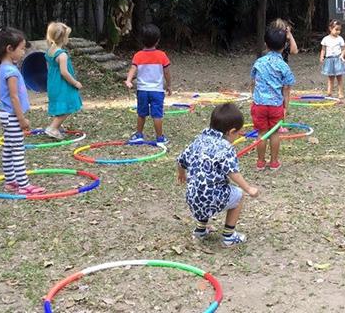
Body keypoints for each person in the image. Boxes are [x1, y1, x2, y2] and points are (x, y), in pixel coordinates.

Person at [177, 103, 260, 247]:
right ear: (231, 131)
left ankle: (200, 230)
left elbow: (180, 160)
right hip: (211, 198)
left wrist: (181, 174)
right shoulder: (225, 147)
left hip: (192, 197)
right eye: (238, 133)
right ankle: (229, 236)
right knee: (239, 195)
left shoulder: (199, 140)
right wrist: (249, 189)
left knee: (204, 190)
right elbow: (232, 172)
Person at [0, 27, 45, 195]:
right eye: (22, 48)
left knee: (8, 148)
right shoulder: (10, 71)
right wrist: (22, 119)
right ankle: (24, 185)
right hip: (13, 116)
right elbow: (14, 98)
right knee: (18, 150)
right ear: (9, 49)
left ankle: (11, 181)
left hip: (6, 115)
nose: (23, 52)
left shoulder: (4, 67)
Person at [250, 27, 295, 170]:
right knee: (274, 133)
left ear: (266, 44)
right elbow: (287, 88)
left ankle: (260, 162)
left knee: (261, 133)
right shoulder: (284, 66)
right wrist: (285, 107)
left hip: (260, 104)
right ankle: (274, 162)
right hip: (276, 105)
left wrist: (255, 97)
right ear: (284, 46)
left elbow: (253, 82)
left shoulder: (259, 63)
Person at [125, 24, 172, 147]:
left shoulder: (138, 55)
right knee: (157, 115)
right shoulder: (162, 55)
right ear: (157, 40)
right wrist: (169, 85)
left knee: (141, 113)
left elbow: (132, 69)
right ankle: (160, 138)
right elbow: (167, 72)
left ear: (142, 40)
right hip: (157, 91)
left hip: (142, 91)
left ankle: (139, 135)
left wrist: (129, 80)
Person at [43, 22, 83, 139]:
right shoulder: (62, 55)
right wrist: (75, 83)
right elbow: (64, 72)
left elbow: (49, 68)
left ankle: (57, 126)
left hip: (53, 84)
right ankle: (53, 127)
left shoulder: (49, 51)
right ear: (63, 38)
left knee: (61, 105)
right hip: (62, 85)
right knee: (69, 104)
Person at [320, 20, 345, 99]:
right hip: (329, 60)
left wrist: (342, 55)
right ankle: (329, 92)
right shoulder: (325, 39)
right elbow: (323, 49)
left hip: (338, 59)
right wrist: (321, 56)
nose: (338, 31)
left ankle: (340, 92)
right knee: (330, 78)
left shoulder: (340, 39)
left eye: (339, 30)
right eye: (336, 29)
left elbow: (344, 49)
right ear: (330, 28)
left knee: (339, 78)